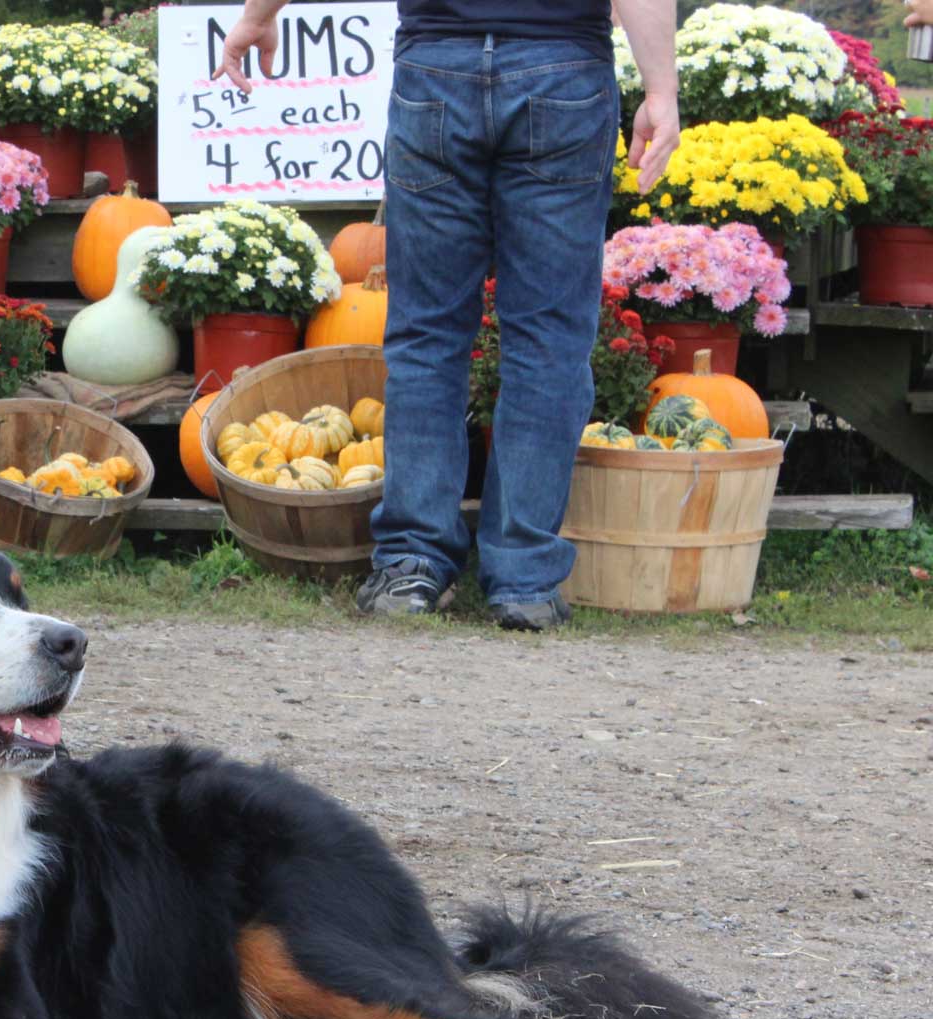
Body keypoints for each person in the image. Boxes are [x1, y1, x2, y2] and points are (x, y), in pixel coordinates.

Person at [220, 0, 678, 630]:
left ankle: (412, 563)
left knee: (427, 335)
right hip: (562, 66)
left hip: (437, 66)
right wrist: (661, 89)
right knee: (547, 340)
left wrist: (258, 13)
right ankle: (523, 579)